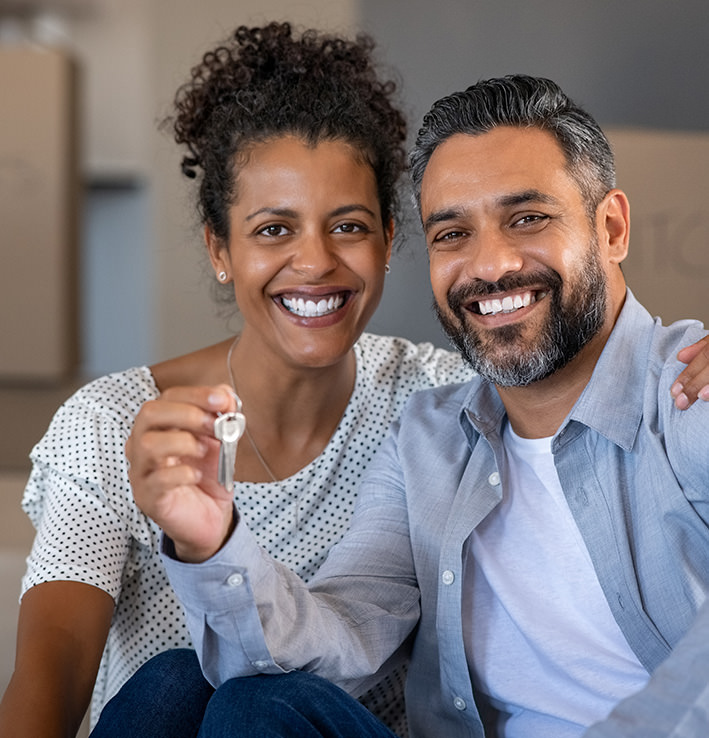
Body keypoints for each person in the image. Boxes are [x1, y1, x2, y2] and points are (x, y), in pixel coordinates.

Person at [125, 75, 709, 738]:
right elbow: (341, 638)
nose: (489, 266)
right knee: (191, 686)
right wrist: (210, 544)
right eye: (452, 233)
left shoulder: (691, 392)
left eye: (527, 218)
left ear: (610, 228)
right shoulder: (430, 439)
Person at [0, 22, 487, 738]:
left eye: (347, 227)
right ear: (219, 248)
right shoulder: (114, 423)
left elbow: (564, 387)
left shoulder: (436, 402)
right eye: (272, 230)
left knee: (255, 700)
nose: (315, 261)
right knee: (173, 679)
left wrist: (679, 364)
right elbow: (56, 668)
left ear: (388, 238)